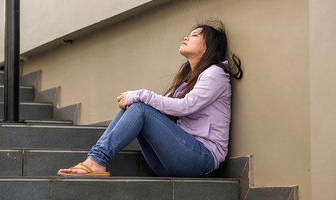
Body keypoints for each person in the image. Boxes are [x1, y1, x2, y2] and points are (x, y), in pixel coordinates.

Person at [57, 22, 243, 177]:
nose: (186, 37)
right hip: (170, 162)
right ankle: (95, 159)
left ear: (209, 45)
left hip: (202, 160)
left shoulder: (215, 74)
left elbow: (186, 106)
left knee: (140, 107)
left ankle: (97, 160)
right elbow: (165, 109)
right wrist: (136, 99)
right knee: (134, 107)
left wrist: (140, 94)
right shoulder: (186, 79)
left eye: (194, 35)